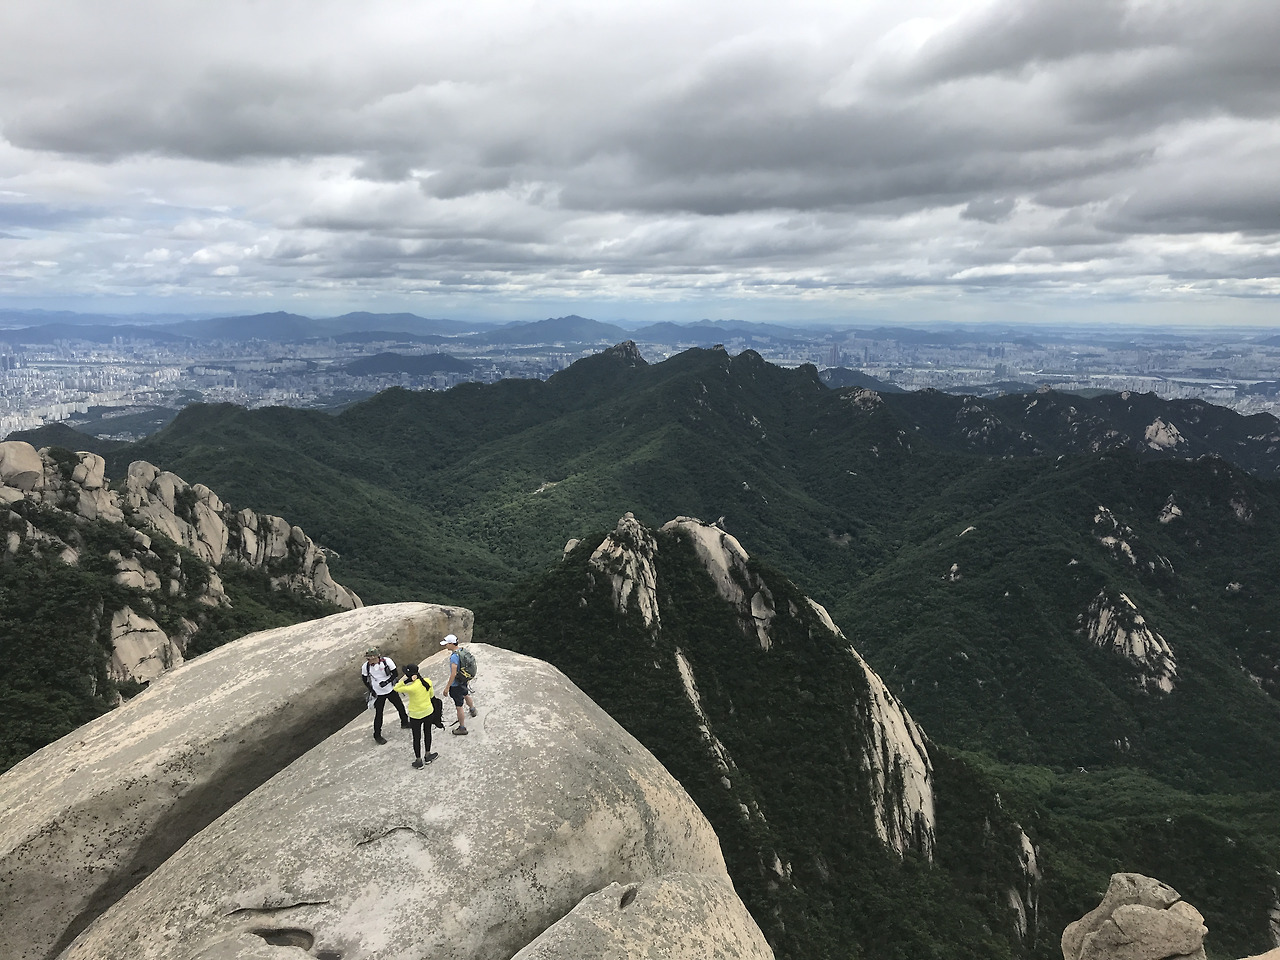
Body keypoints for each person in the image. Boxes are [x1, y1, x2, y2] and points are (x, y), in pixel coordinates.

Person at [393, 664, 438, 768]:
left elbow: (396, 688)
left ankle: (419, 761)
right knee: (427, 733)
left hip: (416, 715)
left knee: (416, 738)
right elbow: (432, 696)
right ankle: (428, 755)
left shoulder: (411, 688)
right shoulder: (427, 681)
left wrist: (406, 681)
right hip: (428, 711)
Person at [361, 647, 409, 744]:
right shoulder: (366, 667)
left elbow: (395, 673)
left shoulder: (387, 661)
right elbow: (364, 679)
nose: (369, 661)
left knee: (400, 706)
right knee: (379, 714)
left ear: (377, 657)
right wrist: (371, 690)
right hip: (378, 693)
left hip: (390, 689)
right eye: (368, 659)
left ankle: (405, 722)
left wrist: (387, 682)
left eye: (371, 659)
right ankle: (377, 735)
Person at [441, 634, 478, 735]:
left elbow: (453, 673)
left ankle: (462, 728)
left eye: (446, 644)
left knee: (459, 706)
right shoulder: (462, 651)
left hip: (456, 684)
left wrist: (447, 687)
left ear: (452, 644)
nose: (445, 646)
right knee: (466, 694)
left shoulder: (454, 657)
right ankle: (473, 709)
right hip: (463, 679)